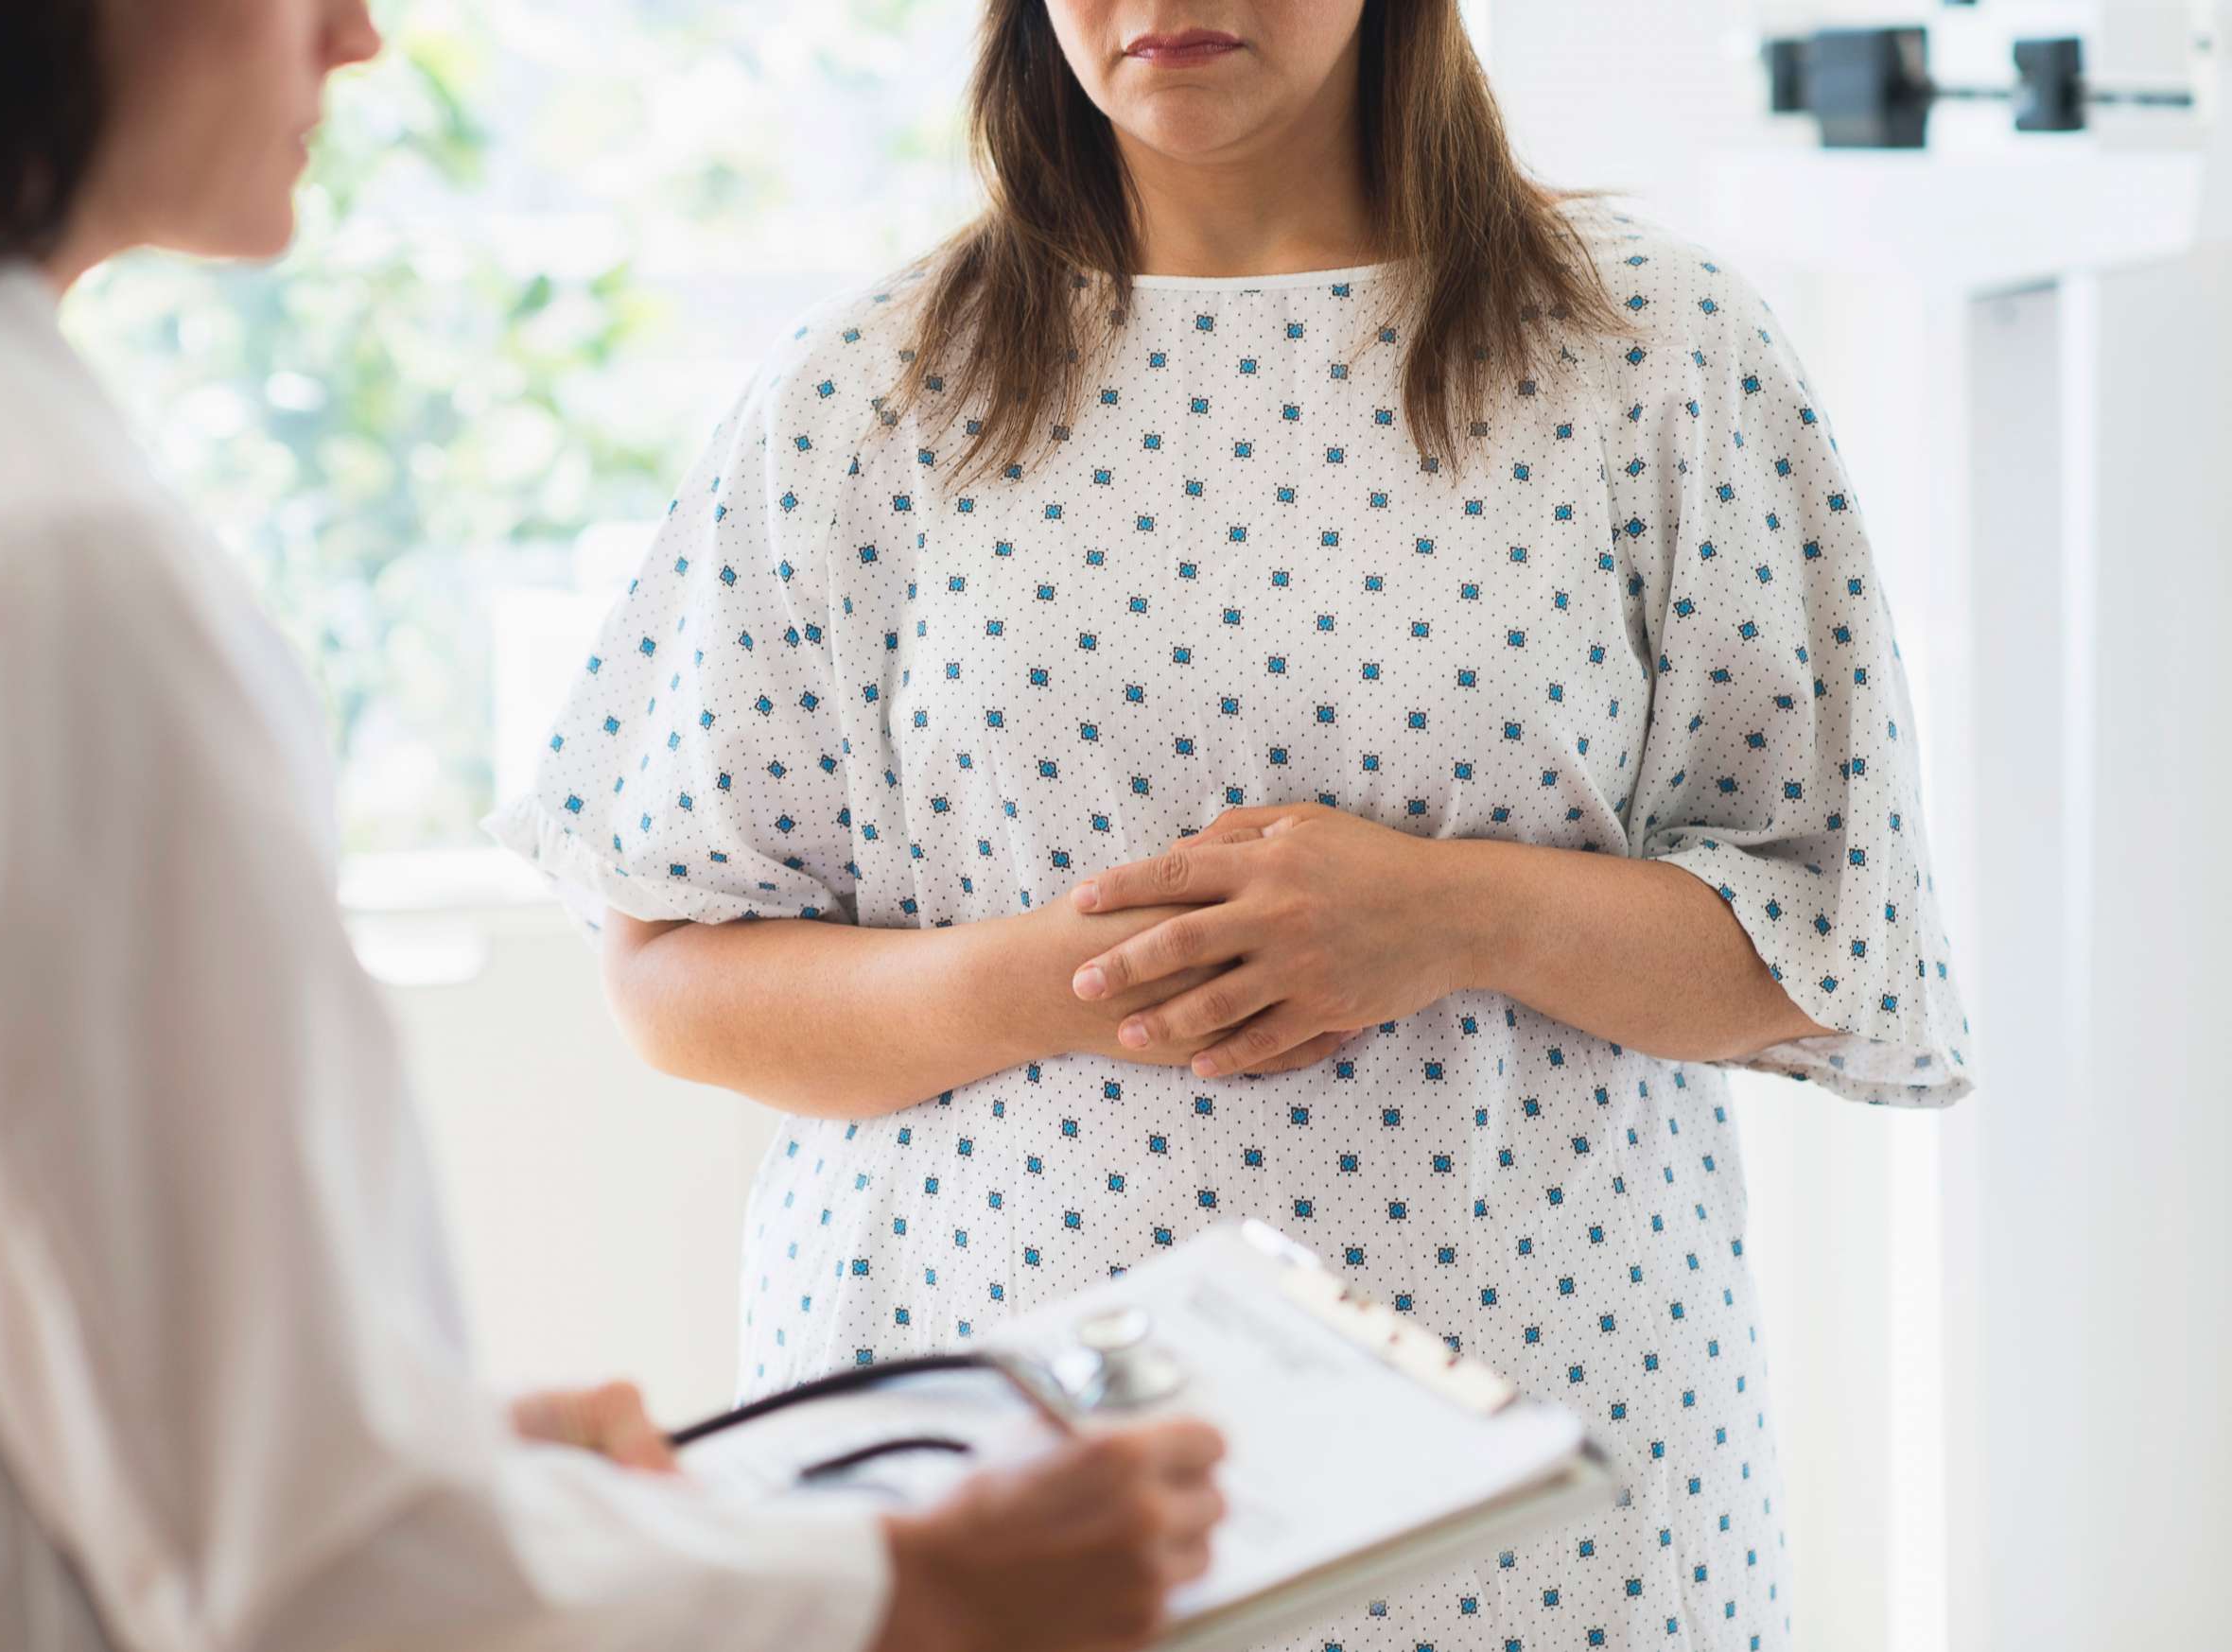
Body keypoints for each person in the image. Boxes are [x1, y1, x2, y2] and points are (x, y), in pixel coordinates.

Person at [494, 1, 1978, 1646]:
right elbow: (672, 967)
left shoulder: (1653, 347)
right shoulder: (867, 390)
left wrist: (1455, 914)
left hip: (1553, 1491)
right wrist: (1064, 979)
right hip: (1001, 1492)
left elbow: (1830, 943)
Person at [0, 2, 1231, 1650]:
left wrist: (450, 1476)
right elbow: (316, 1574)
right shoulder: (25, 570)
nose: (357, 37)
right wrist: (914, 1592)